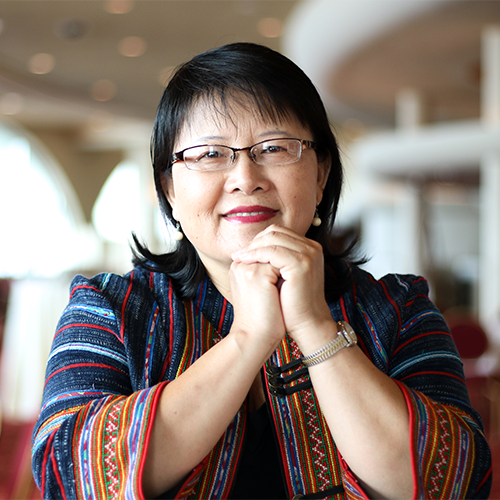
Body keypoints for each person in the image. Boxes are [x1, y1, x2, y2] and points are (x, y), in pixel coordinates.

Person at [32, 42, 491, 500]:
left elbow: (452, 482)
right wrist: (248, 339)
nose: (245, 177)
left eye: (273, 148)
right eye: (210, 154)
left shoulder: (399, 309)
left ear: (321, 174)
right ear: (169, 189)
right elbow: (68, 475)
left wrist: (315, 327)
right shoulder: (109, 308)